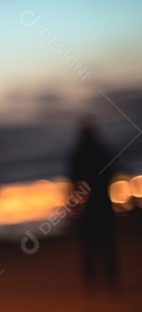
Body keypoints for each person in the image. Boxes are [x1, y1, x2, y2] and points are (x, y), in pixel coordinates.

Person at [68, 117, 119, 292]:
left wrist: (73, 205)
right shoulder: (101, 151)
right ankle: (110, 282)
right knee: (106, 243)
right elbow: (114, 172)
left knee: (89, 244)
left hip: (88, 204)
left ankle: (92, 283)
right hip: (103, 201)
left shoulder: (79, 154)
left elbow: (73, 181)